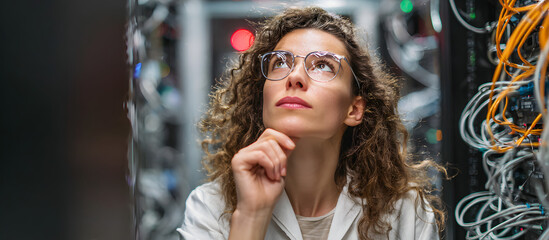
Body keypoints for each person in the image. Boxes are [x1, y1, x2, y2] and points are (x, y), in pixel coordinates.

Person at [177, 6, 446, 240]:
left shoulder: (405, 211)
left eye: (323, 66)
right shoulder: (211, 207)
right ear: (262, 100)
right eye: (280, 63)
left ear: (354, 109)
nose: (294, 77)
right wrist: (251, 216)